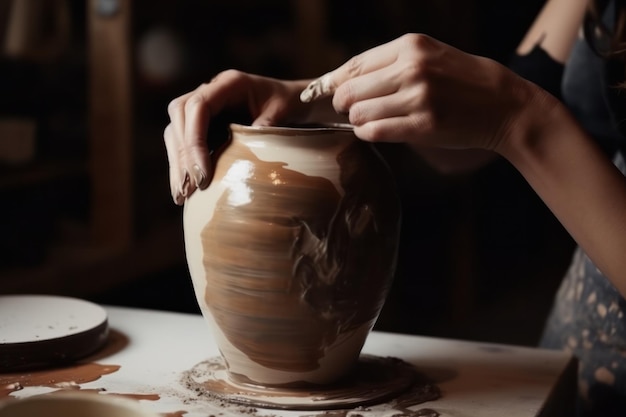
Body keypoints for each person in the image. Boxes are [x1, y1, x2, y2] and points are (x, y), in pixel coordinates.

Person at [163, 0, 626, 415]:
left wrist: (519, 116)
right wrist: (303, 102)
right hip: (577, 362)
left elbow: (520, 119)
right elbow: (470, 142)